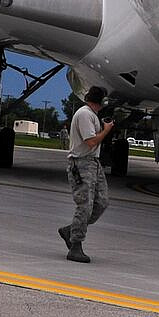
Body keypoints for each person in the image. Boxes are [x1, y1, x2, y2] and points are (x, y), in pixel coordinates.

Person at [57, 87, 115, 263]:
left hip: (93, 163)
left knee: (102, 202)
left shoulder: (91, 115)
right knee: (85, 205)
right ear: (101, 101)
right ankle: (76, 245)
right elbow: (90, 142)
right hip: (81, 163)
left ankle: (71, 230)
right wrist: (106, 130)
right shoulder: (84, 114)